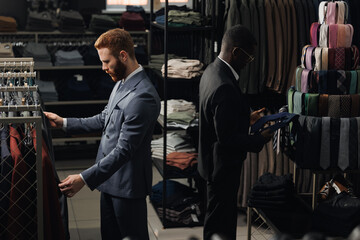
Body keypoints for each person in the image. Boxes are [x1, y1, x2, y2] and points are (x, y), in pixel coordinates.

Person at [44, 28, 160, 240]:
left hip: (127, 186)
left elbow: (124, 150)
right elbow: (103, 118)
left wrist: (84, 178)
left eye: (107, 61)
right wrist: (64, 122)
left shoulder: (143, 96)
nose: (103, 67)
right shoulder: (122, 82)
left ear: (123, 55)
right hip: (108, 180)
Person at [198, 24, 273, 240]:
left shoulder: (211, 71)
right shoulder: (225, 85)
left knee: (216, 221)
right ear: (236, 52)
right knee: (221, 227)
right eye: (248, 58)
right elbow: (227, 138)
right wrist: (259, 138)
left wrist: (246, 120)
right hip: (222, 168)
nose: (248, 63)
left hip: (211, 162)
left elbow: (217, 122)